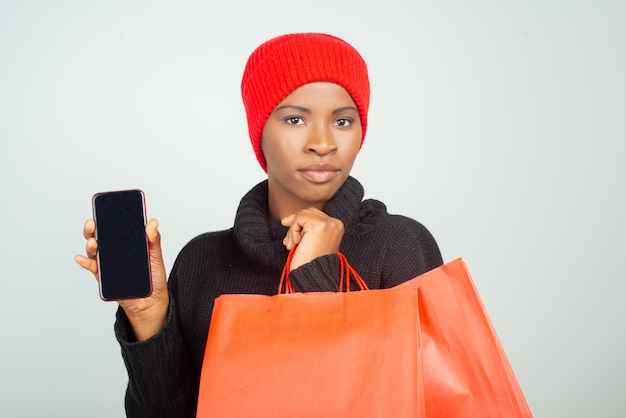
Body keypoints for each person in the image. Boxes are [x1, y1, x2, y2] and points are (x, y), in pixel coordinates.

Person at [75, 32, 443, 418]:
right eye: (296, 119)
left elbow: (428, 401)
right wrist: (148, 318)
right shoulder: (203, 259)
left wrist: (317, 275)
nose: (322, 143)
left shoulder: (400, 246)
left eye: (343, 120)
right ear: (259, 129)